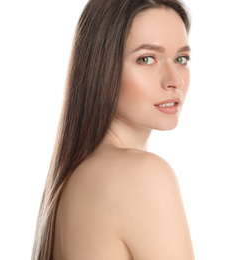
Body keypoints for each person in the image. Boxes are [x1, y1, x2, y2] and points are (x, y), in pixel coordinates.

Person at [32, 0, 194, 259]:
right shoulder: (143, 175)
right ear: (102, 67)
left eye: (181, 58)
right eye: (146, 58)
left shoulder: (73, 179)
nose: (175, 80)